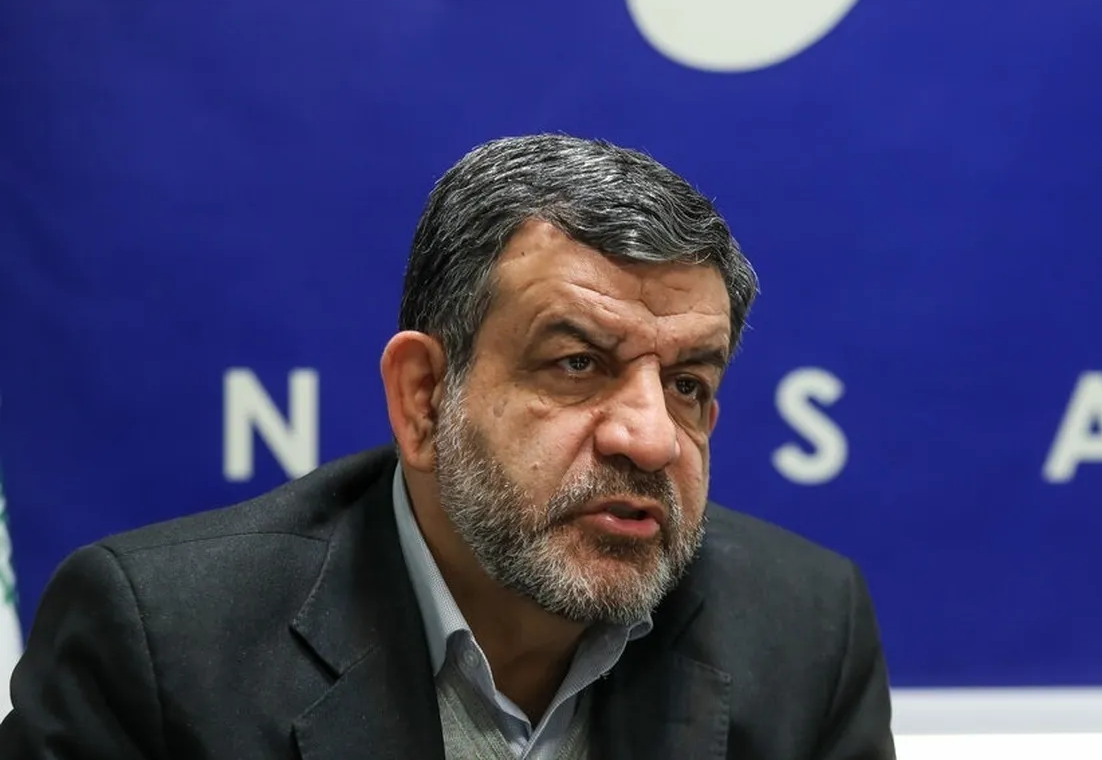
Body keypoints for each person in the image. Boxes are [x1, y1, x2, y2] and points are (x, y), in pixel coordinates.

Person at [0, 134, 895, 759]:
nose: (652, 436)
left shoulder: (806, 632)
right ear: (423, 398)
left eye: (689, 383)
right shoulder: (161, 646)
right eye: (578, 363)